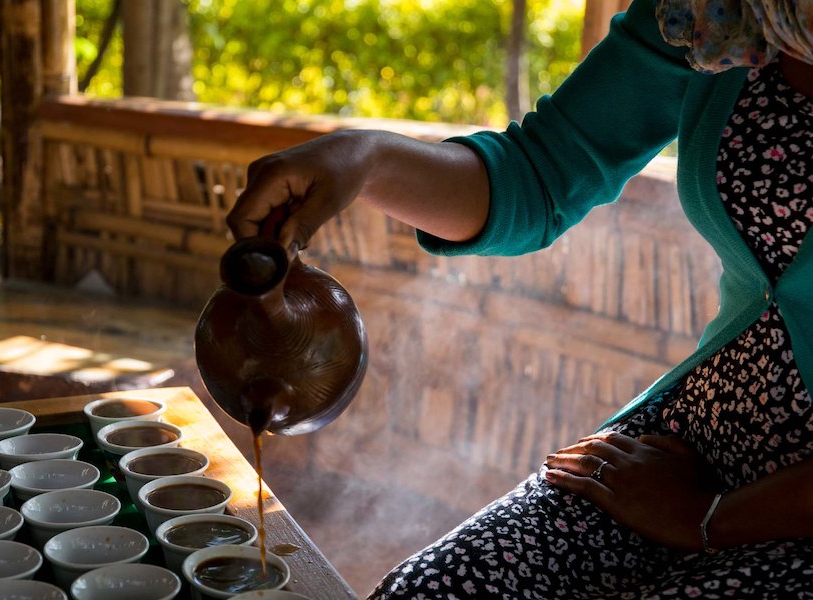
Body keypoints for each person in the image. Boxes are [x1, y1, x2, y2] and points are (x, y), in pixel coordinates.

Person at [227, 0, 813, 597]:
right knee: (428, 590)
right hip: (692, 442)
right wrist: (364, 159)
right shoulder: (721, 15)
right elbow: (541, 171)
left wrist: (705, 518)